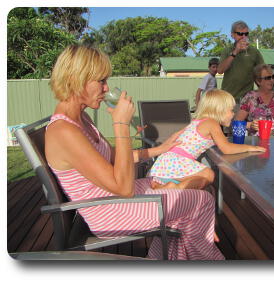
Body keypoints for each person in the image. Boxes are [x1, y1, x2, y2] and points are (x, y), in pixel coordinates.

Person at [45, 44, 224, 260]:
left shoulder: (81, 118)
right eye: (101, 80)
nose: (106, 88)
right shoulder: (64, 131)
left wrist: (160, 148)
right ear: (77, 79)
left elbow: (114, 158)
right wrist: (121, 124)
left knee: (187, 188)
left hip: (114, 200)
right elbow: (124, 188)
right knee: (202, 201)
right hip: (110, 212)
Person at [149, 89, 266, 190]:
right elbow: (227, 148)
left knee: (202, 178)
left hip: (166, 164)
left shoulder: (198, 121)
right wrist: (252, 147)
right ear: (219, 111)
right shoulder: (211, 123)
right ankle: (175, 188)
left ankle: (164, 187)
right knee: (208, 175)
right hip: (176, 163)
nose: (233, 113)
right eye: (231, 110)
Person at [234, 64, 274, 136]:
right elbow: (237, 122)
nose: (271, 80)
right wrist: (250, 125)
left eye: (272, 77)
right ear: (258, 81)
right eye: (268, 78)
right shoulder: (250, 97)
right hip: (257, 141)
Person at [217, 20, 264, 101]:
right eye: (240, 34)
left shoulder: (254, 52)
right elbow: (220, 70)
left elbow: (262, 73)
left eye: (246, 34)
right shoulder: (227, 50)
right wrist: (235, 52)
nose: (243, 37)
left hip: (247, 100)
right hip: (227, 99)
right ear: (232, 35)